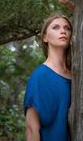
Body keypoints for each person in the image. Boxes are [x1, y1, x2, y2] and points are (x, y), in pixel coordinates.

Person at [24, 13, 73, 141]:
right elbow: (31, 129)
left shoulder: (79, 75)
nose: (63, 31)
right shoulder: (39, 77)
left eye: (67, 28)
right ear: (45, 37)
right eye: (56, 27)